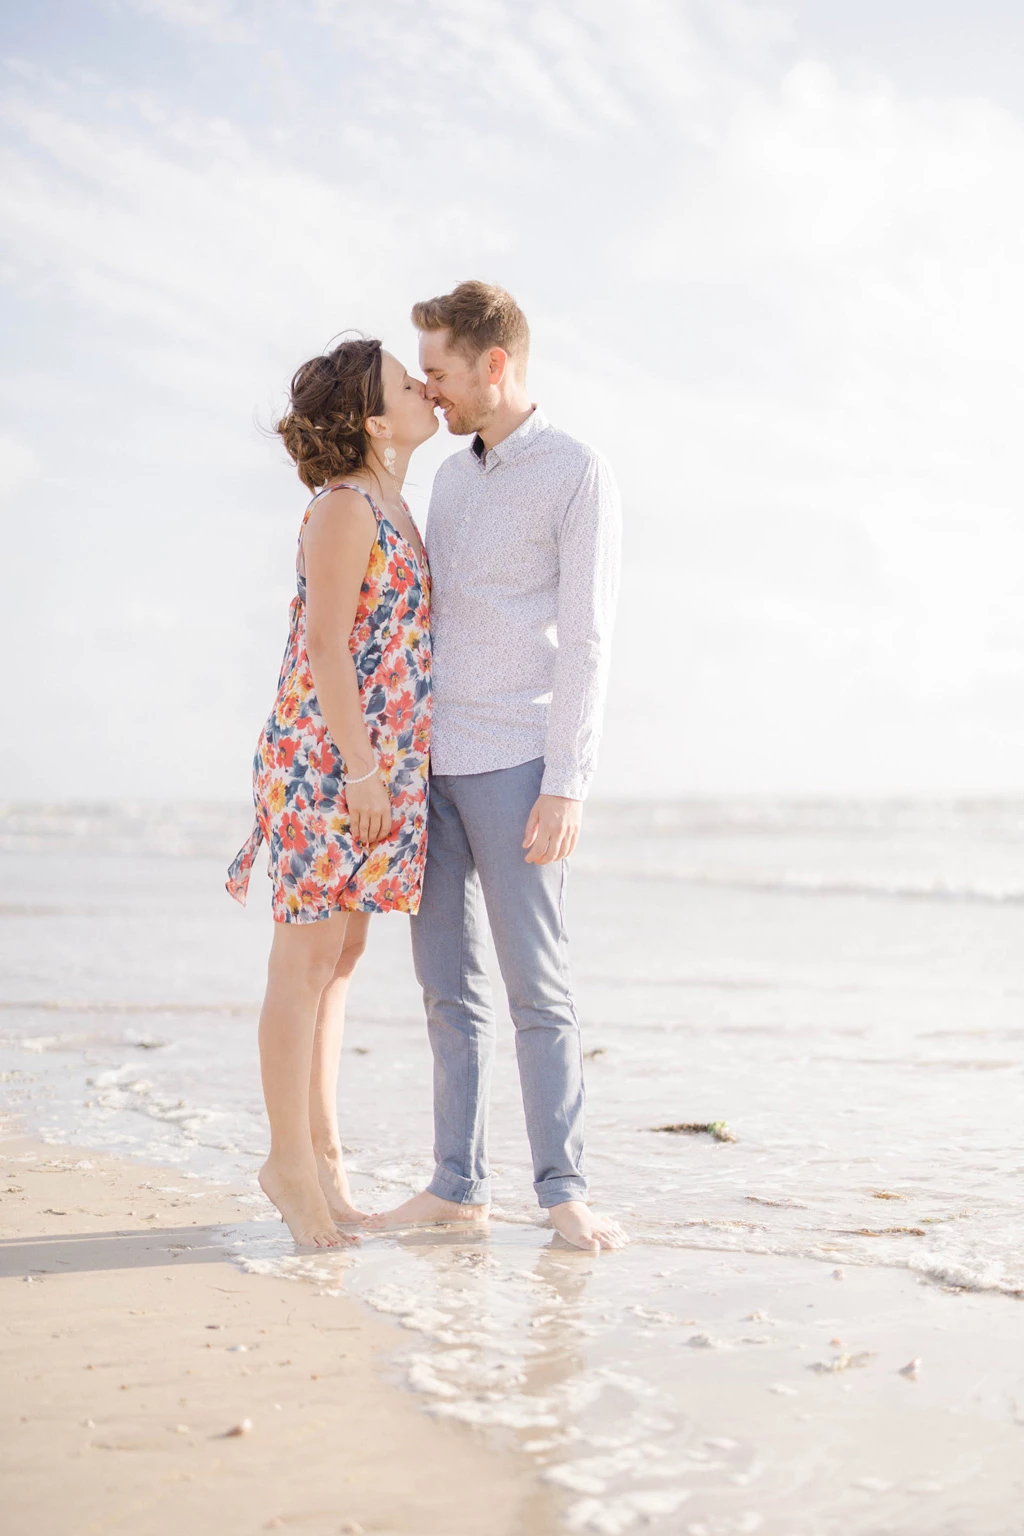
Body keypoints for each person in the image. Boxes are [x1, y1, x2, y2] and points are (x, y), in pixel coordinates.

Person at [371, 281, 627, 1252]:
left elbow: (590, 640)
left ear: (494, 365)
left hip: (522, 765)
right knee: (447, 989)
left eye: (437, 372)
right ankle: (455, 1186)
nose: (429, 392)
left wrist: (568, 781)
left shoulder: (575, 470)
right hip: (430, 767)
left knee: (537, 992)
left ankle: (563, 1191)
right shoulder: (449, 477)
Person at [227, 337, 436, 1247]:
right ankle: (288, 1165)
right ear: (372, 420)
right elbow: (323, 649)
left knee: (339, 960)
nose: (427, 387)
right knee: (303, 964)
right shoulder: (345, 508)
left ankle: (325, 1158)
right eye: (405, 381)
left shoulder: (395, 502)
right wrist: (359, 769)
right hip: (327, 764)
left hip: (367, 769)